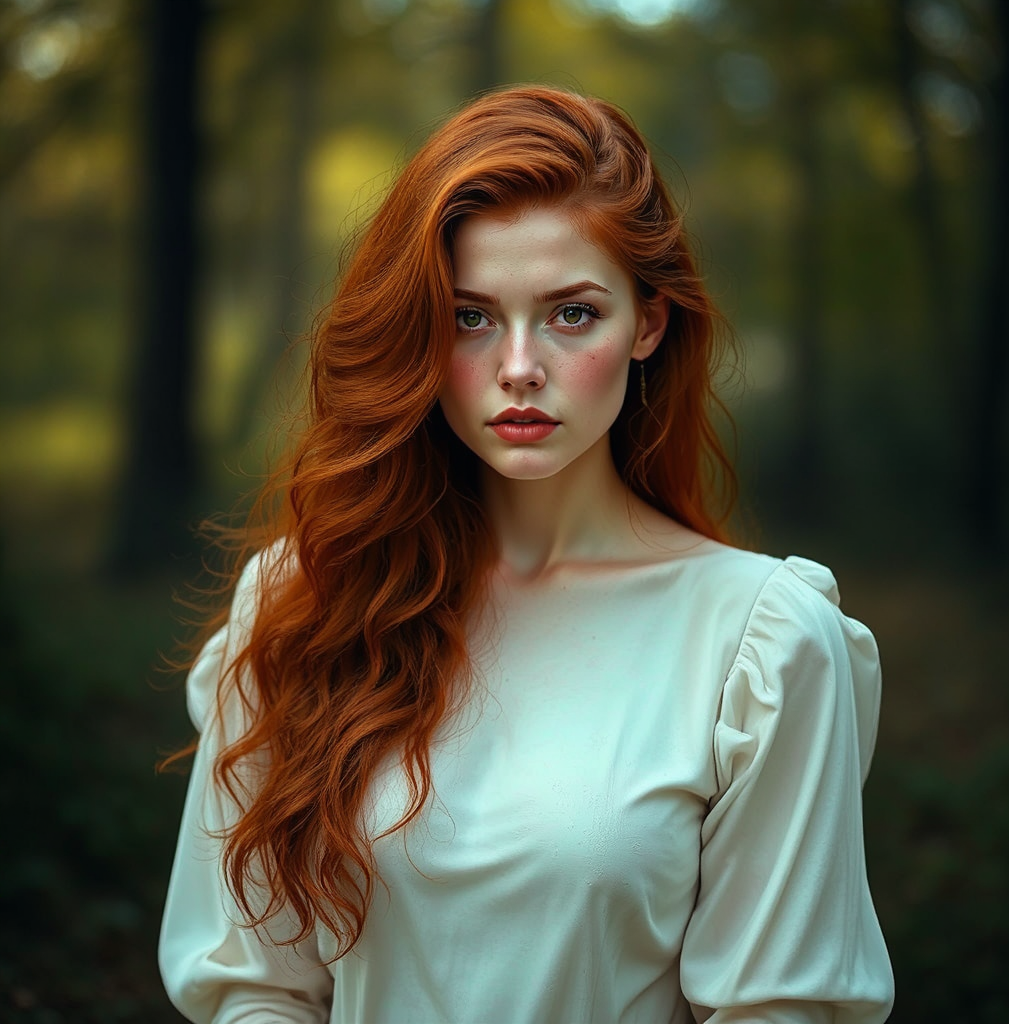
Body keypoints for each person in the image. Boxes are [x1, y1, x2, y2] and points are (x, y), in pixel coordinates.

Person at [159, 85, 895, 1023]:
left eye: (572, 314)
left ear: (649, 323)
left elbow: (779, 1008)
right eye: (470, 317)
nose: (517, 366)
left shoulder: (763, 641)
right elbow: (252, 985)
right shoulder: (306, 601)